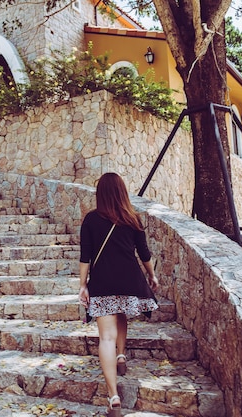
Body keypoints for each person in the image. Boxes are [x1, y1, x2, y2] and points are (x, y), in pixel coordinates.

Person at [78, 172, 159, 416]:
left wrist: (83, 285)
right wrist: (152, 275)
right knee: (121, 312)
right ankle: (121, 356)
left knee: (105, 338)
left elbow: (86, 256)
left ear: (100, 194)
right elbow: (144, 253)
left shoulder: (91, 220)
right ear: (122, 192)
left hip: (103, 282)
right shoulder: (132, 218)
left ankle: (113, 396)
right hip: (129, 281)